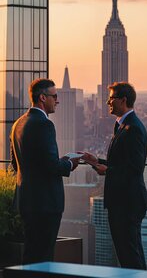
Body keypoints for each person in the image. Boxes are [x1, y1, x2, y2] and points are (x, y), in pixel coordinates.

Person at [10, 78, 80, 264]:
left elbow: (16, 164)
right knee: (43, 257)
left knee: (31, 255)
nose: (57, 100)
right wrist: (70, 164)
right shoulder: (44, 124)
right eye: (54, 96)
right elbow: (51, 166)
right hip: (45, 204)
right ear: (42, 97)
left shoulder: (18, 124)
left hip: (26, 201)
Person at [83, 82, 147, 269]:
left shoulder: (132, 128)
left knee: (129, 254)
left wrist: (107, 171)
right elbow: (122, 163)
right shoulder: (123, 126)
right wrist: (98, 161)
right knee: (128, 252)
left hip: (127, 203)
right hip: (123, 201)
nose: (107, 102)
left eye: (111, 98)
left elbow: (134, 169)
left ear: (123, 100)